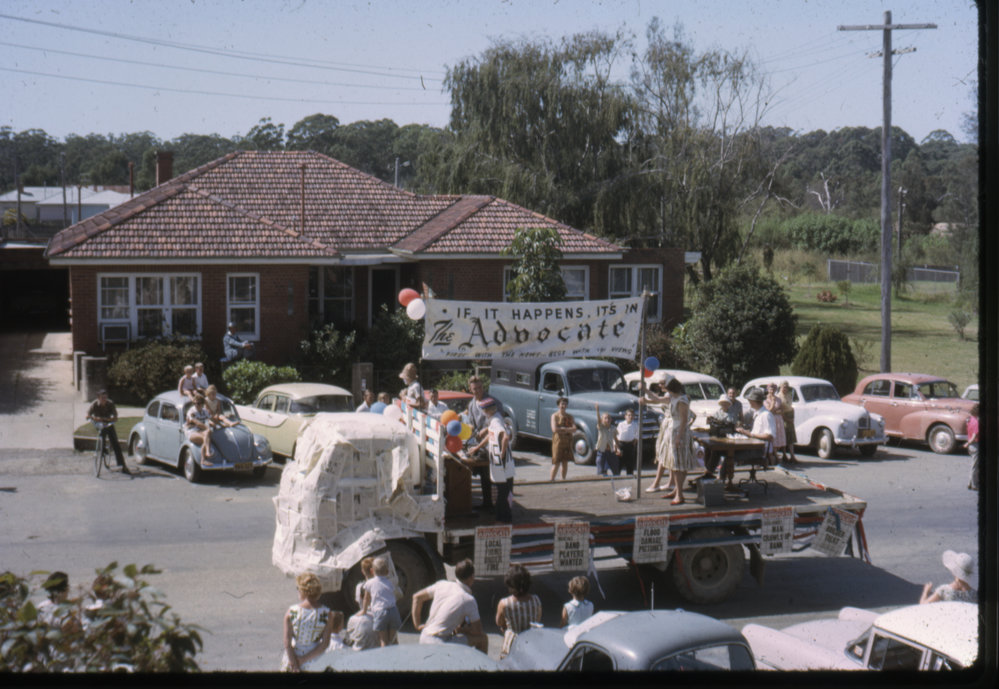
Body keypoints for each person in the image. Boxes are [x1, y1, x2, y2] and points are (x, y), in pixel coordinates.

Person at [411, 558, 487, 652]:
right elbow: (477, 630)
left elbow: (417, 597)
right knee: (482, 638)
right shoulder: (468, 599)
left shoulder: (442, 584)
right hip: (440, 643)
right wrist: (461, 630)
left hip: (424, 636)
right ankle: (480, 666)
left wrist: (417, 625)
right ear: (472, 577)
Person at [646, 377, 697, 505]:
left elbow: (684, 420)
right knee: (676, 464)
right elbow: (657, 399)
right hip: (673, 431)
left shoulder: (682, 400)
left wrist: (678, 437)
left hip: (680, 433)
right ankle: (676, 491)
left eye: (666, 387)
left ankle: (679, 495)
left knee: (678, 464)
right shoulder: (673, 397)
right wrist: (645, 390)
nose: (664, 389)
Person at [471, 397, 515, 523]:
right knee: (502, 490)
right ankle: (502, 515)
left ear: (488, 410)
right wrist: (477, 447)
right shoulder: (494, 419)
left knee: (503, 491)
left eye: (484, 410)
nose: (483, 412)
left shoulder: (496, 421)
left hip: (502, 463)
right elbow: (490, 435)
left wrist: (502, 453)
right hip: (500, 462)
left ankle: (504, 517)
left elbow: (505, 437)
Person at [282, 572, 335, 672]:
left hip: (293, 656)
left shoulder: (291, 612)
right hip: (315, 658)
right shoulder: (327, 613)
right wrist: (303, 660)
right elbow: (325, 644)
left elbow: (287, 643)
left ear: (302, 591)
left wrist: (294, 664)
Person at [496, 564, 542, 658]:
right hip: (531, 641)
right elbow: (537, 619)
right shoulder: (536, 600)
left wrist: (505, 626)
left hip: (512, 642)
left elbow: (499, 622)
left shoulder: (504, 603)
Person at [464, 376, 495, 510]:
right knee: (480, 472)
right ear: (471, 390)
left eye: (480, 388)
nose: (478, 391)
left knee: (490, 475)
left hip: (491, 443)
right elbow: (472, 424)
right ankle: (485, 503)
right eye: (475, 389)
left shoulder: (491, 401)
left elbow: (498, 420)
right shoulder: (471, 404)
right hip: (479, 444)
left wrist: (486, 429)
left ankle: (492, 505)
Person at [86, 389, 131, 475]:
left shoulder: (110, 404)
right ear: (98, 398)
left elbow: (115, 416)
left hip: (108, 423)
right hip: (99, 424)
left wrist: (108, 419)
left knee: (115, 443)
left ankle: (122, 465)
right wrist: (92, 418)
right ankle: (102, 450)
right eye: (102, 398)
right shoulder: (94, 404)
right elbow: (88, 414)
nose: (104, 399)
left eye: (105, 397)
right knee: (102, 434)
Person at [359, 556, 401, 646]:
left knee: (383, 640)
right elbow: (394, 595)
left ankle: (384, 658)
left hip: (380, 612)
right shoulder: (390, 582)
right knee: (393, 639)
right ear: (387, 572)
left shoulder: (369, 583)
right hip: (393, 610)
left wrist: (364, 610)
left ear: (372, 571)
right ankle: (397, 657)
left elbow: (366, 598)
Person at [737, 387, 775, 466]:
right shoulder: (757, 413)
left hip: (759, 450)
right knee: (726, 452)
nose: (749, 402)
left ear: (753, 401)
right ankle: (720, 475)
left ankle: (722, 477)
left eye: (749, 400)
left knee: (731, 454)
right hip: (753, 446)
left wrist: (751, 434)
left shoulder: (766, 415)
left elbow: (770, 436)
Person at [550, 397, 575, 481]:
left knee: (565, 462)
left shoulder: (570, 416)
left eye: (565, 404)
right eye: (562, 404)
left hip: (567, 441)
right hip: (558, 441)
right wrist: (567, 430)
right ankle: (551, 479)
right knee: (556, 461)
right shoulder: (554, 416)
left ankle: (563, 479)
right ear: (558, 405)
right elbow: (554, 429)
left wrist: (563, 429)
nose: (563, 406)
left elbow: (574, 429)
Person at [185, 394, 215, 460]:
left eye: (198, 403)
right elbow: (197, 423)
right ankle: (203, 458)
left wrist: (214, 424)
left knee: (207, 434)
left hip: (201, 431)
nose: (196, 405)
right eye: (194, 403)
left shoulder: (204, 411)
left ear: (202, 404)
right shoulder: (191, 411)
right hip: (192, 431)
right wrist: (208, 428)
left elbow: (210, 419)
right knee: (206, 439)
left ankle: (206, 453)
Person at [593, 403, 619, 476]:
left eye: (608, 418)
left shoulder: (613, 428)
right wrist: (597, 411)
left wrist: (617, 447)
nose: (607, 420)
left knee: (615, 468)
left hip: (610, 450)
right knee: (601, 469)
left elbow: (615, 438)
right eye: (605, 418)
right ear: (602, 420)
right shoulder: (601, 427)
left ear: (611, 419)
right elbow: (598, 420)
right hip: (601, 451)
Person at [764, 383, 786, 466]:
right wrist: (773, 401)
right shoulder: (765, 400)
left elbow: (781, 410)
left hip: (778, 419)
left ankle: (776, 455)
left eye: (773, 389)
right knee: (773, 437)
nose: (772, 390)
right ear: (768, 389)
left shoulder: (779, 399)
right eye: (770, 389)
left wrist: (776, 411)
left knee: (778, 437)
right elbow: (769, 410)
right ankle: (775, 456)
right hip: (771, 420)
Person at [778, 381, 798, 464]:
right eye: (783, 387)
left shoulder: (789, 395)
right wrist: (786, 419)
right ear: (781, 387)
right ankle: (784, 455)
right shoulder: (779, 397)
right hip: (784, 417)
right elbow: (780, 410)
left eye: (786, 387)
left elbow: (790, 406)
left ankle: (792, 456)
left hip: (790, 416)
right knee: (784, 437)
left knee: (791, 438)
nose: (785, 388)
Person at [615, 408, 638, 476]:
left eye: (632, 415)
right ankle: (617, 478)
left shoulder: (635, 425)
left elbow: (637, 435)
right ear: (625, 416)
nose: (630, 417)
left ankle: (630, 478)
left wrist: (634, 443)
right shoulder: (621, 424)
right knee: (619, 464)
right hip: (621, 445)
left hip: (630, 446)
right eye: (629, 415)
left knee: (630, 465)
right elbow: (616, 436)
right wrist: (617, 448)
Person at [966, 404, 979, 491]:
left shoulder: (970, 420)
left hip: (971, 446)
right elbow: (974, 436)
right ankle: (974, 484)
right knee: (975, 466)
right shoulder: (976, 422)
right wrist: (967, 443)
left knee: (974, 465)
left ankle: (970, 483)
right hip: (975, 445)